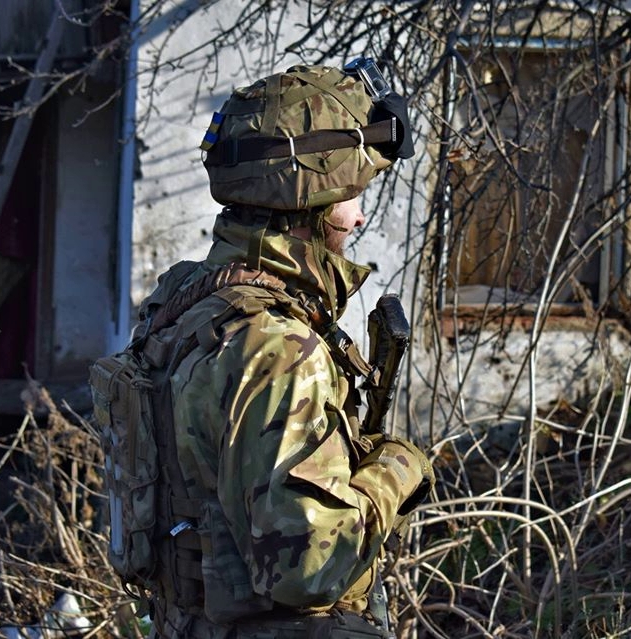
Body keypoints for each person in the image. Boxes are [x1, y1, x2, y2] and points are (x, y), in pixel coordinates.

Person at [132, 63, 435, 639]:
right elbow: (308, 567)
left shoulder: (184, 298)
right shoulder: (276, 345)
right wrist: (400, 467)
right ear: (313, 198)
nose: (360, 216)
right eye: (353, 195)